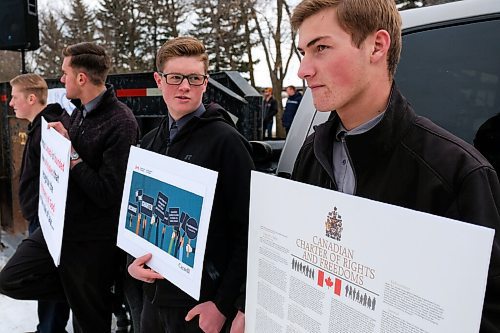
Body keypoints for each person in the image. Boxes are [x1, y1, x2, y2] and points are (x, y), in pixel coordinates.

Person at [289, 0, 500, 332]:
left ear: (377, 46)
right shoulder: (313, 152)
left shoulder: (455, 173)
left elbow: (483, 315)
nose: (303, 69)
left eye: (321, 48)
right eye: (303, 51)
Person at [0, 42, 139, 333]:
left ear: (81, 78)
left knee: (89, 325)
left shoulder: (121, 121)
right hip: (61, 231)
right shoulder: (79, 113)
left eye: (65, 73)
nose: (61, 79)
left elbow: (107, 192)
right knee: (10, 278)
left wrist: (71, 154)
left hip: (92, 243)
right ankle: (84, 293)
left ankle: (95, 295)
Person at [127, 36, 254, 333]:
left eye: (194, 78)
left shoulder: (227, 143)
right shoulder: (148, 143)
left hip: (199, 306)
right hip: (154, 300)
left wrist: (223, 305)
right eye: (175, 77)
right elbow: (139, 214)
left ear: (205, 83)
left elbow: (247, 230)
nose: (184, 86)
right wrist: (133, 262)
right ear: (159, 80)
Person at [9, 73, 71, 333]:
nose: (11, 103)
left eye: (15, 97)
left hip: (48, 221)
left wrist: (43, 215)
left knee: (44, 276)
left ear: (31, 98)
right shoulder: (41, 126)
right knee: (45, 277)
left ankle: (50, 328)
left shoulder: (50, 128)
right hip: (40, 218)